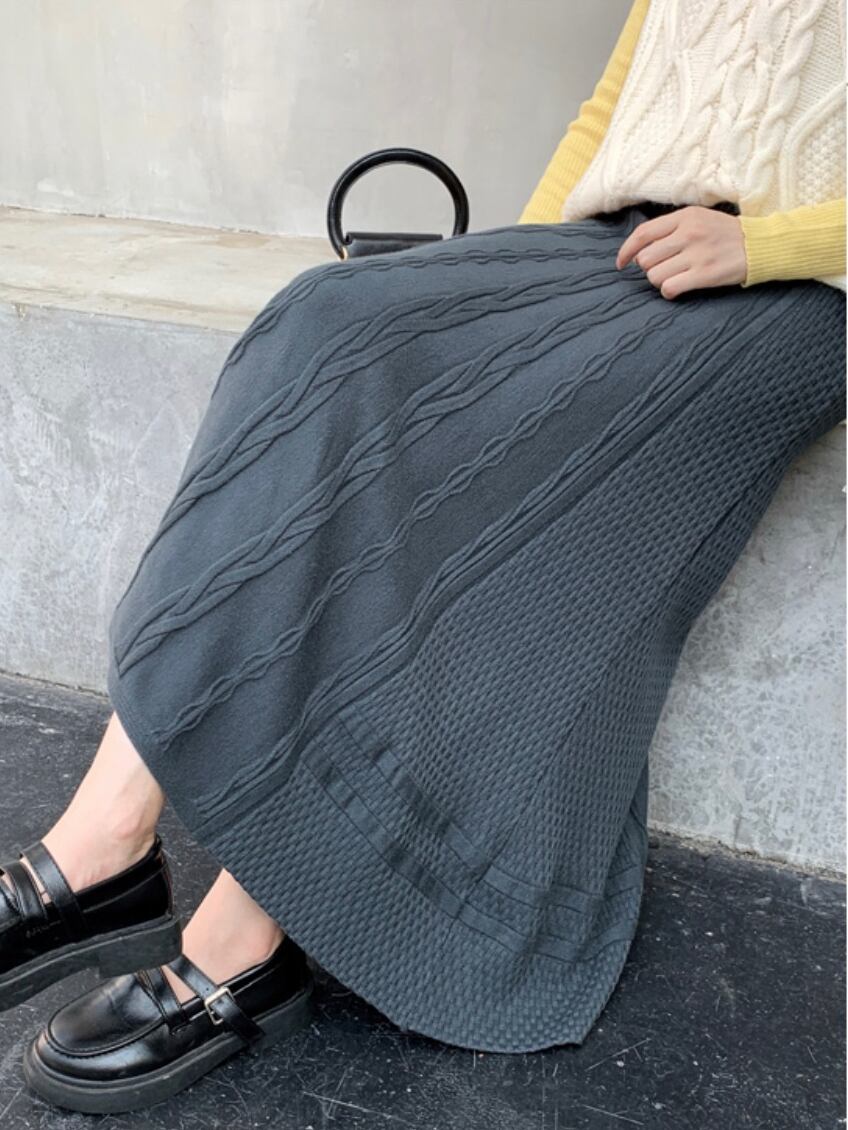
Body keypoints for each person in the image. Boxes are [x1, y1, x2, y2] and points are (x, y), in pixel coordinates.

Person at [4, 0, 845, 1114]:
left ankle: (245, 933)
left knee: (507, 485)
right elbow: (617, 101)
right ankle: (103, 840)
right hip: (615, 248)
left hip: (788, 294)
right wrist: (504, 284)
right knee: (327, 318)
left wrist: (767, 245)